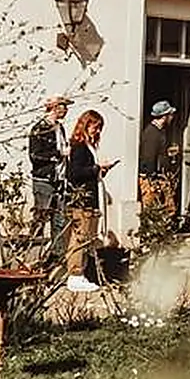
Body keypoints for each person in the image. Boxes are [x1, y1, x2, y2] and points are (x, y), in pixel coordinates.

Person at [65, 109, 117, 292]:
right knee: (80, 238)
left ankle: (82, 273)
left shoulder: (89, 145)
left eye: (100, 128)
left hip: (91, 197)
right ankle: (74, 274)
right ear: (86, 125)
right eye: (95, 127)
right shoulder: (79, 146)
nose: (98, 131)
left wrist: (101, 170)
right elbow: (74, 173)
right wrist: (96, 169)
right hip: (82, 200)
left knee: (88, 238)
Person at [27, 95, 72, 240]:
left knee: (59, 220)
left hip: (59, 179)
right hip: (44, 180)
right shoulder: (40, 128)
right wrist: (59, 154)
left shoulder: (60, 128)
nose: (66, 110)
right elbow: (35, 155)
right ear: (54, 107)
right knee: (41, 218)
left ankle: (56, 256)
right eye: (63, 106)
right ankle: (33, 252)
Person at [138, 100, 176, 215]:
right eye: (170, 115)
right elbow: (149, 156)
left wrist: (168, 153)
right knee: (153, 209)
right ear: (164, 116)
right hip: (153, 178)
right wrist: (152, 178)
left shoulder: (160, 131)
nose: (172, 117)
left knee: (166, 208)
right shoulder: (152, 133)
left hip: (160, 176)